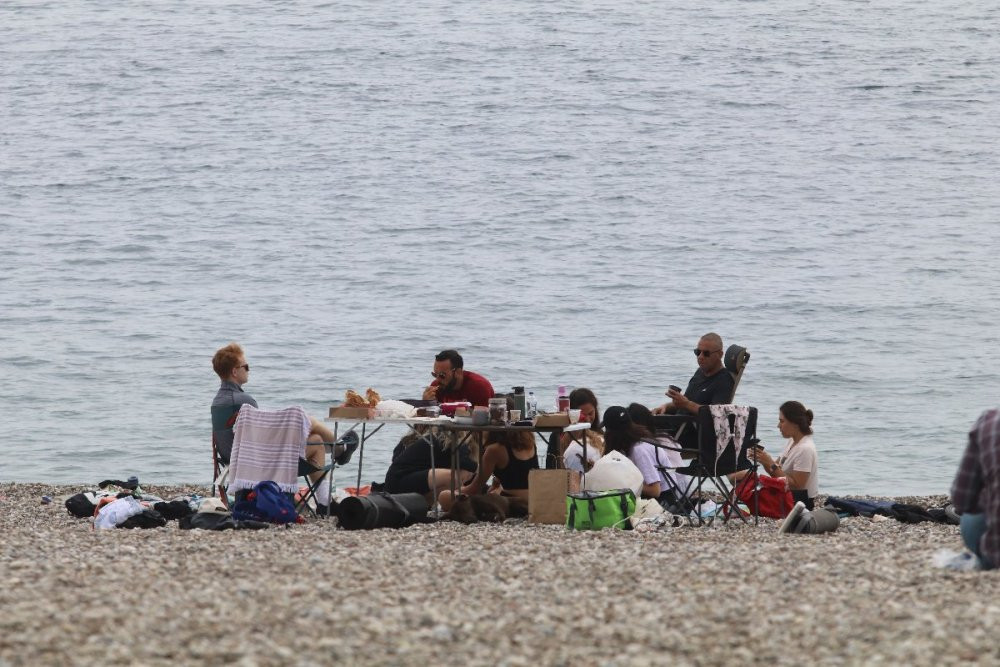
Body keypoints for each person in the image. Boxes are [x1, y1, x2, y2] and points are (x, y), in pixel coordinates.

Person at [211, 342, 356, 514]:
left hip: (231, 460)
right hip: (256, 463)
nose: (249, 370)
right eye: (246, 367)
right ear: (235, 371)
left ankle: (335, 462)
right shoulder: (244, 401)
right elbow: (262, 438)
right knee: (314, 436)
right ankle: (338, 452)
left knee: (313, 435)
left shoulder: (217, 402)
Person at [438, 429, 538, 516]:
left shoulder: (494, 450)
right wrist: (497, 483)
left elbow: (474, 489)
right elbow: (518, 474)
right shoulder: (530, 443)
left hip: (511, 504)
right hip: (535, 500)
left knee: (444, 496)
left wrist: (457, 491)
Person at [742, 401, 819, 510]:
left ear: (795, 423)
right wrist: (764, 461)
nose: (778, 426)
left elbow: (797, 486)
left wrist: (770, 463)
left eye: (782, 421)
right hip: (787, 495)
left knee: (743, 483)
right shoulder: (792, 442)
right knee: (740, 478)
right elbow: (776, 474)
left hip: (799, 501)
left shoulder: (805, 449)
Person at [602, 405, 682, 506]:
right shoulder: (633, 442)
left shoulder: (639, 449)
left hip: (664, 500)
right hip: (660, 496)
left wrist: (625, 483)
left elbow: (655, 490)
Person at [951, 408, 1000, 570]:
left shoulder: (990, 422)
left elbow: (962, 501)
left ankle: (985, 557)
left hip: (995, 555)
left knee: (971, 518)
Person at [384, 426, 476, 502]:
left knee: (456, 478)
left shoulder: (432, 438)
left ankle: (424, 504)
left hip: (398, 481)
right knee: (457, 476)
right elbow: (466, 464)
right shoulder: (449, 440)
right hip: (399, 481)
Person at [652, 332, 734, 417]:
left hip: (689, 426)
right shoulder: (700, 372)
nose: (700, 357)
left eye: (706, 353)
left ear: (720, 355)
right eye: (698, 352)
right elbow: (684, 403)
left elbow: (717, 414)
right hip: (676, 421)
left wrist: (687, 404)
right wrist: (665, 407)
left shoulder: (724, 380)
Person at [626, 402, 691, 506]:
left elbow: (655, 490)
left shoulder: (641, 447)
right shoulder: (664, 438)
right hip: (684, 487)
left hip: (671, 494)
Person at [420, 349, 494, 406]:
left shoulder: (478, 386)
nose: (438, 379)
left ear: (458, 372)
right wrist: (426, 404)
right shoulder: (436, 386)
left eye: (442, 375)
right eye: (435, 375)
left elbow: (485, 418)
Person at [558, 388, 605, 473]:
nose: (587, 419)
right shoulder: (559, 435)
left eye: (591, 413)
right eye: (582, 415)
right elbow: (551, 466)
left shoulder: (600, 434)